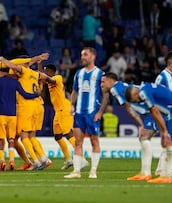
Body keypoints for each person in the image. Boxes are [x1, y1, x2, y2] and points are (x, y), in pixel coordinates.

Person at [0, 58, 40, 171]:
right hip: (12, 115)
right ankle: (12, 161)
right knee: (11, 139)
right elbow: (25, 95)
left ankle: (2, 160)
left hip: (0, 114)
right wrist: (36, 94)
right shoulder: (15, 82)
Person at [125, 83, 172, 184]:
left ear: (136, 93)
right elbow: (154, 113)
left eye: (134, 100)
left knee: (170, 141)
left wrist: (164, 131)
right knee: (167, 141)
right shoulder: (146, 88)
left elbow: (155, 111)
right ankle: (157, 174)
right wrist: (162, 131)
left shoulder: (143, 93)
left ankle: (167, 176)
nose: (137, 101)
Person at [101, 72, 155, 181]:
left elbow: (128, 108)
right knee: (144, 139)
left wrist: (140, 125)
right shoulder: (120, 86)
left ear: (110, 81)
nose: (101, 84)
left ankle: (148, 172)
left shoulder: (114, 89)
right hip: (151, 108)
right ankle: (146, 172)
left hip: (153, 109)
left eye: (103, 81)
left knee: (145, 138)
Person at [64, 47, 109, 179]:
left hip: (92, 113)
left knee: (94, 142)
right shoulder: (79, 73)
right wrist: (72, 104)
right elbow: (75, 91)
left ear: (93, 56)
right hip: (79, 113)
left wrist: (100, 112)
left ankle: (93, 171)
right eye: (82, 55)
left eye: (85, 55)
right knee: (78, 142)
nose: (82, 57)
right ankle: (76, 171)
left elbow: (105, 95)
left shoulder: (100, 74)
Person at [43, 64, 76, 170]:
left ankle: (81, 158)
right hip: (58, 111)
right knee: (57, 136)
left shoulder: (58, 78)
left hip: (65, 109)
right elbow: (43, 77)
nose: (44, 73)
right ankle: (69, 159)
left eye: (45, 71)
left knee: (68, 133)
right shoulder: (48, 81)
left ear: (50, 71)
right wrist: (39, 63)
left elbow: (47, 78)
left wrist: (36, 72)